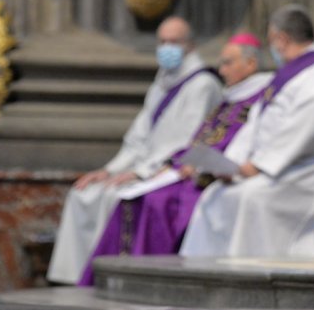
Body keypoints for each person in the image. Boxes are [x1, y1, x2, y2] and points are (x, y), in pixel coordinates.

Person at [77, 32, 272, 284]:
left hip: (217, 178)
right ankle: (116, 282)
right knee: (132, 197)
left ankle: (149, 284)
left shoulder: (261, 98)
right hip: (192, 171)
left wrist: (202, 166)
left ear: (251, 64)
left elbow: (243, 145)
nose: (221, 71)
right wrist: (174, 163)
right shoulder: (230, 97)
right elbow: (199, 139)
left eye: (227, 63)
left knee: (157, 202)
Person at [47, 16, 221, 285]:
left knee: (113, 197)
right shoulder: (161, 82)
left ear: (190, 45)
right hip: (143, 165)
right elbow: (138, 138)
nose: (166, 48)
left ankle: (102, 279)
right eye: (162, 42)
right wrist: (109, 170)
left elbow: (184, 141)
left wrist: (140, 174)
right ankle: (71, 277)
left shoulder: (203, 85)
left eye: (173, 42)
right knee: (84, 193)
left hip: (166, 170)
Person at [180, 4, 314, 258]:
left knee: (251, 198)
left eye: (272, 40)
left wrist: (255, 167)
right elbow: (256, 125)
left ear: (282, 39)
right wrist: (232, 166)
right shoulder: (288, 76)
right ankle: (205, 272)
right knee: (215, 195)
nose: (272, 48)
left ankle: (249, 276)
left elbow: (303, 130)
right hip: (281, 168)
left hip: (310, 173)